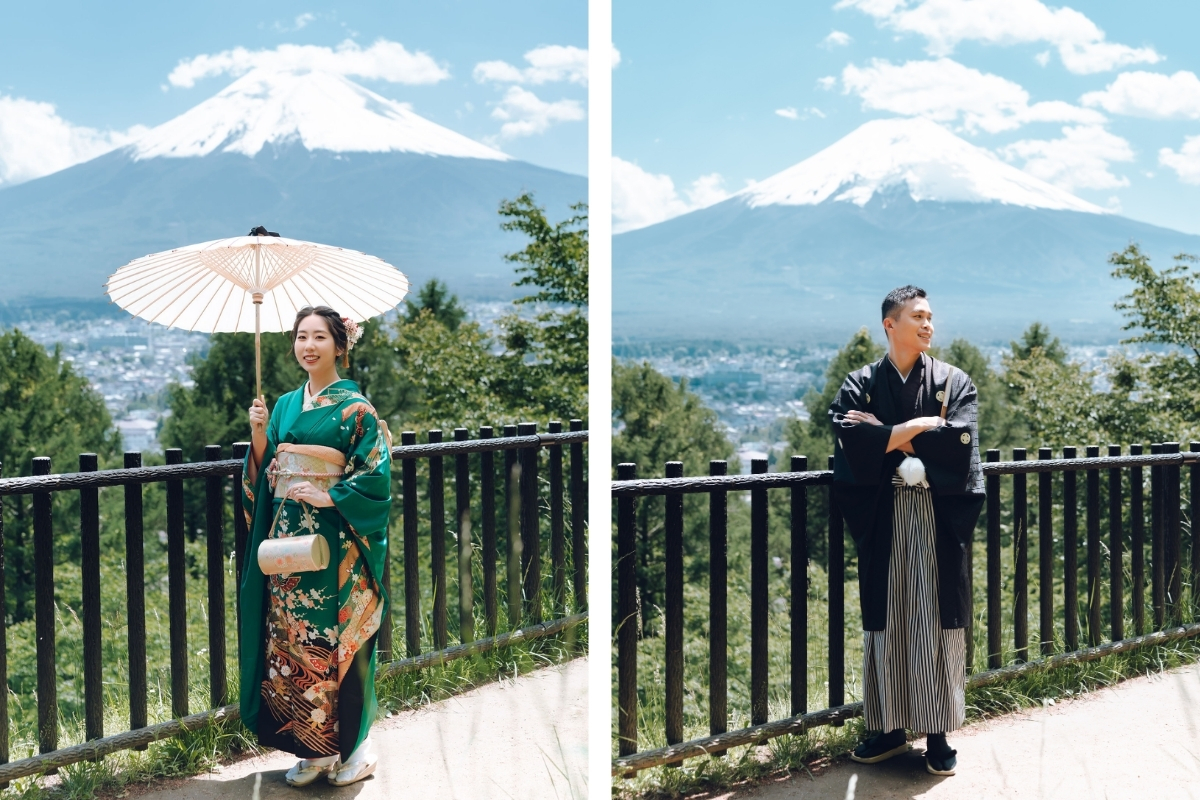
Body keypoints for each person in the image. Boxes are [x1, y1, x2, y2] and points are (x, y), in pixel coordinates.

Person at [828, 285, 984, 777]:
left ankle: (936, 731)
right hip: (885, 516)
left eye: (931, 316)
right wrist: (922, 425)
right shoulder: (860, 383)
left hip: (938, 518)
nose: (928, 324)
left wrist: (890, 434)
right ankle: (891, 728)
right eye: (917, 316)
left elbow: (958, 445)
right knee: (889, 619)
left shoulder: (954, 382)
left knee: (936, 620)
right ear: (889, 324)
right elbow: (852, 440)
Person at [240, 305, 391, 787]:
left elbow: (376, 478)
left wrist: (331, 494)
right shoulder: (283, 404)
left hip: (336, 544)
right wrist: (260, 435)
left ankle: (355, 749)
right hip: (288, 544)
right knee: (292, 642)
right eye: (302, 336)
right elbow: (266, 474)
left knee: (339, 643)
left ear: (340, 346)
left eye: (320, 337)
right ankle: (312, 748)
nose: (308, 346)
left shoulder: (357, 410)